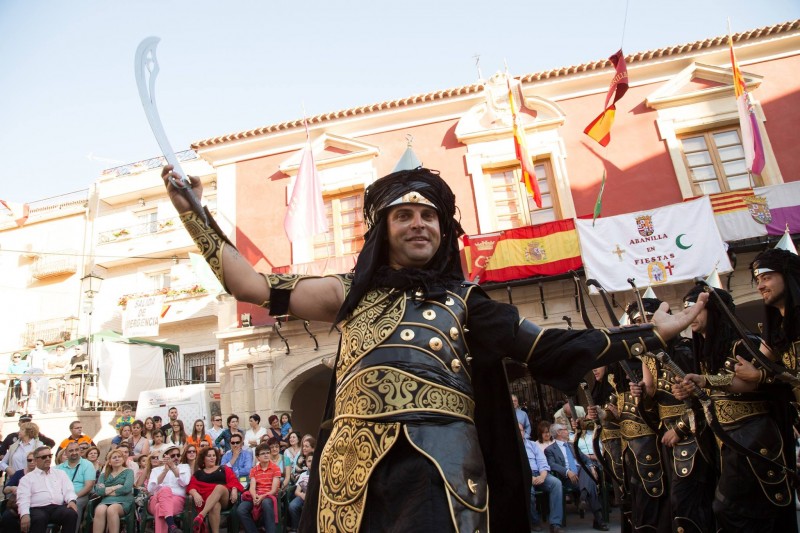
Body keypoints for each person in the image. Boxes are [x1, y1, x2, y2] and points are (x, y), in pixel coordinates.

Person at [162, 164, 704, 532]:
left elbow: (549, 346)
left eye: (429, 216)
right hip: (353, 464)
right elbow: (250, 286)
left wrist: (651, 334)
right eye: (404, 214)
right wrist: (195, 214)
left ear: (443, 230)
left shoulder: (467, 300)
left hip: (440, 463)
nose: (419, 223)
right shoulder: (346, 292)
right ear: (384, 229)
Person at [675, 285, 795, 532]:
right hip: (726, 441)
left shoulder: (744, 344)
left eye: (698, 309)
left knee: (732, 508)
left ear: (715, 311)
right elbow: (711, 396)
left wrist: (706, 381)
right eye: (688, 309)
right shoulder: (705, 353)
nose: (692, 315)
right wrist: (690, 391)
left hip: (753, 438)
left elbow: (757, 382)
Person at [631, 293, 716, 533]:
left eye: (649, 319)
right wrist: (643, 394)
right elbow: (652, 404)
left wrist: (680, 429)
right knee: (675, 504)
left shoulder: (686, 351)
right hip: (666, 437)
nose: (644, 325)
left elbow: (702, 399)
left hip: (691, 435)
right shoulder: (648, 357)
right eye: (640, 321)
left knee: (689, 503)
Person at [545, 423, 607, 531]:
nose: (568, 431)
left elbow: (585, 459)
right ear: (558, 433)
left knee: (585, 470)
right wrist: (567, 471)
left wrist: (592, 466)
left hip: (582, 474)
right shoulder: (550, 449)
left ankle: (583, 497)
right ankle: (598, 520)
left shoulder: (572, 445)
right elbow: (552, 464)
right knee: (591, 483)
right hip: (569, 479)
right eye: (565, 429)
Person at [17, 445, 79, 533]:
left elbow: (69, 490)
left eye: (49, 456)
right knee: (39, 518)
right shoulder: (27, 479)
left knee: (70, 513)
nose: (47, 458)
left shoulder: (60, 473)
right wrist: (24, 514)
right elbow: (23, 498)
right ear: (35, 460)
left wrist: (71, 501)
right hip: (37, 509)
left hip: (57, 508)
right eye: (43, 457)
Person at [187, 447, 243, 533]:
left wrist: (234, 489)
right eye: (209, 456)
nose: (212, 457)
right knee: (215, 505)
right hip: (209, 501)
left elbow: (234, 480)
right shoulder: (198, 473)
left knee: (219, 487)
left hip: (225, 498)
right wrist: (195, 494)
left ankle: (201, 515)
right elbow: (191, 486)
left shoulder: (224, 469)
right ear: (203, 459)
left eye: (214, 455)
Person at [520, 423, 563, 533]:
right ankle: (535, 521)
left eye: (521, 430)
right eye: (517, 430)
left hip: (539, 474)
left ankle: (555, 524)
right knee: (528, 492)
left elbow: (542, 461)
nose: (520, 432)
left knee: (556, 483)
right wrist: (529, 477)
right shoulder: (510, 448)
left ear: (524, 432)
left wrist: (543, 476)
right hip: (524, 476)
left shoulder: (532, 445)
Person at [237, 443, 281, 533]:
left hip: (269, 496)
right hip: (256, 496)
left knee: (266, 503)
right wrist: (254, 497)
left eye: (268, 453)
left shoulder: (275, 468)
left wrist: (262, 497)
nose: (266, 455)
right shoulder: (254, 470)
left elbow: (274, 490)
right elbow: (252, 487)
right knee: (241, 509)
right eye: (263, 453)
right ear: (257, 457)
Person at [148, 444, 191, 533]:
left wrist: (173, 468)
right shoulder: (156, 470)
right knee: (165, 489)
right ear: (165, 456)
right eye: (172, 455)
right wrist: (165, 471)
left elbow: (185, 482)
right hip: (156, 498)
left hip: (176, 500)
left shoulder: (185, 467)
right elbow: (151, 489)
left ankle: (171, 525)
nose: (176, 457)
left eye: (178, 455)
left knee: (159, 508)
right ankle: (171, 525)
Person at [92, 449, 134, 533]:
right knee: (100, 510)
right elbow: (99, 491)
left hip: (123, 501)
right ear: (110, 462)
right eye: (114, 457)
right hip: (106, 501)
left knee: (112, 509)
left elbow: (126, 489)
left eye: (119, 457)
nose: (117, 459)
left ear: (123, 459)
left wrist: (106, 491)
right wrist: (115, 487)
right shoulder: (104, 475)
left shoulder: (129, 472)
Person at [56, 441, 97, 526]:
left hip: (81, 496)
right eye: (71, 451)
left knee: (75, 505)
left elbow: (89, 486)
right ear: (66, 453)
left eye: (76, 450)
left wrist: (73, 498)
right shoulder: (59, 468)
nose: (74, 452)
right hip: (63, 496)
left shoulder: (87, 465)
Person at [288, 453, 312, 533]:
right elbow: (297, 491)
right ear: (306, 463)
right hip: (303, 496)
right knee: (293, 505)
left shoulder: (320, 474)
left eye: (313, 461)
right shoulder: (303, 475)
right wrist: (302, 495)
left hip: (314, 498)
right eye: (309, 461)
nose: (311, 463)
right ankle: (296, 528)